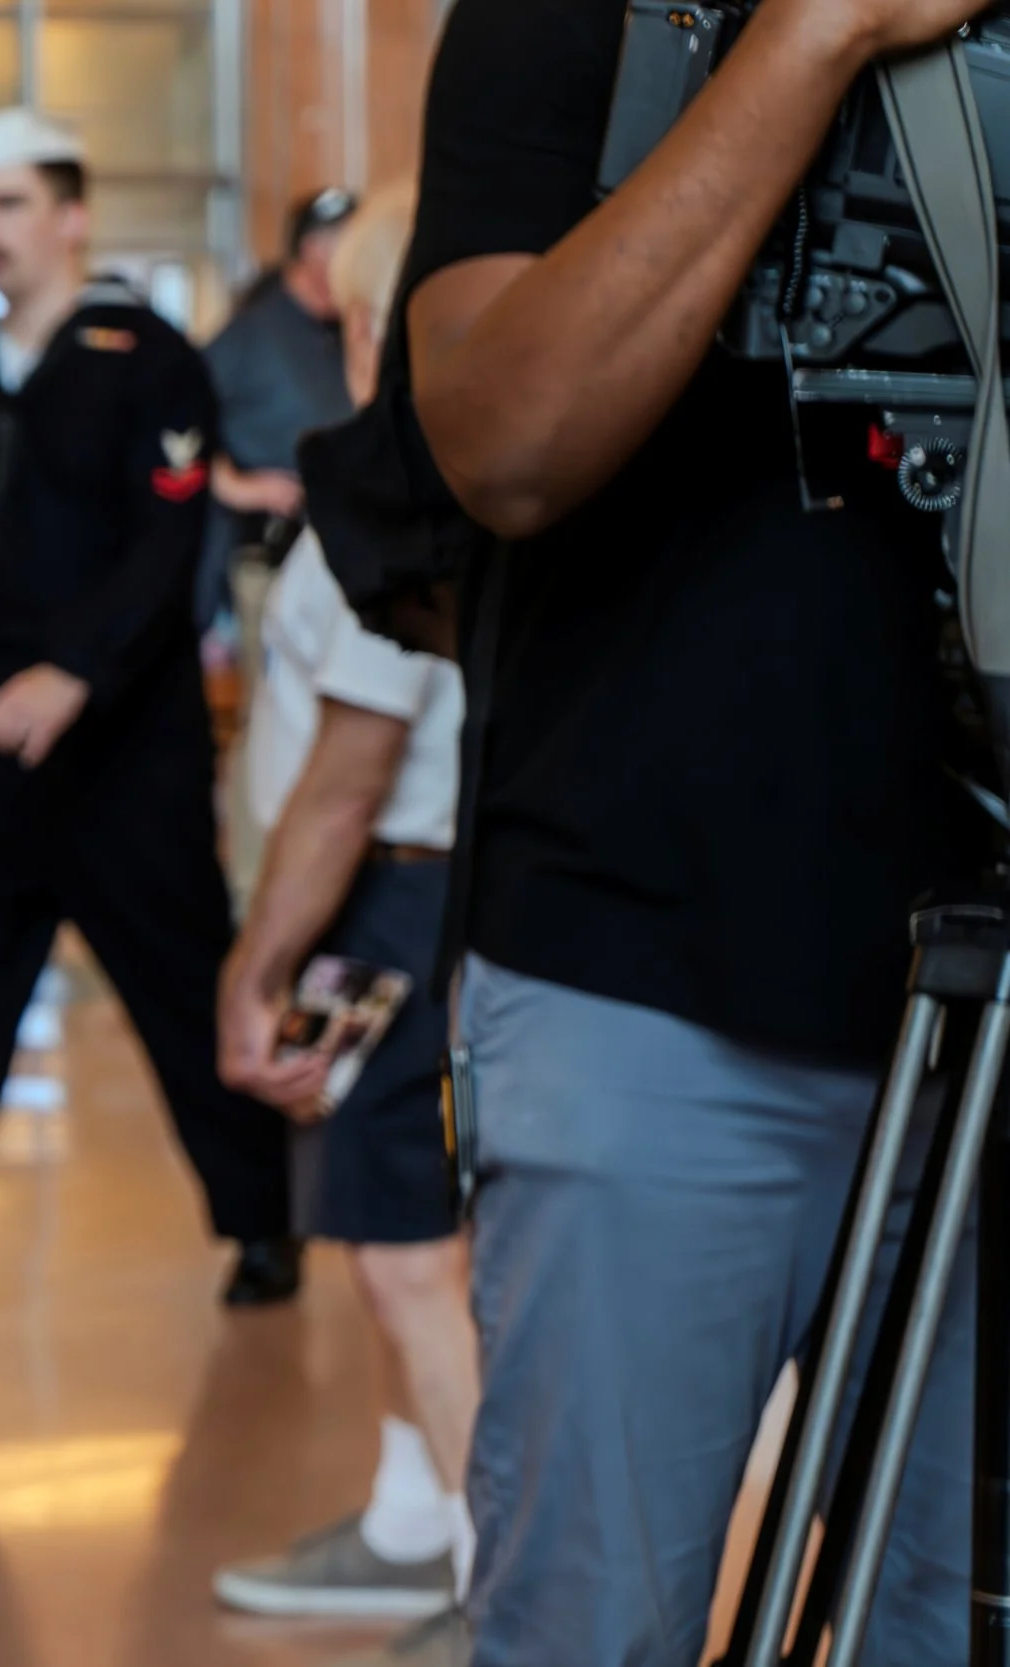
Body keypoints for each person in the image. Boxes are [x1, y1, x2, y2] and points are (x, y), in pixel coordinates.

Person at [402, 0, 992, 1654]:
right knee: (600, 1626)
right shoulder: (571, 22)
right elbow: (502, 439)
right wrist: (811, 37)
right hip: (649, 985)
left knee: (949, 1620)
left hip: (979, 991)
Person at [0, 107, 294, 1317]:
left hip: (125, 756)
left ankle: (261, 1219)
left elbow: (169, 544)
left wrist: (75, 669)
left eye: (9, 206)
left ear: (71, 216)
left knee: (180, 986)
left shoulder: (149, 357)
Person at [206, 183, 479, 1658]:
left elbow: (341, 785)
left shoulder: (389, 511)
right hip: (414, 891)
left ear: (373, 319)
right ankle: (409, 1517)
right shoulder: (468, 483)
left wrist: (255, 969)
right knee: (389, 1227)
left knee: (402, 1250)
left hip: (382, 895)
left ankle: (499, 1575)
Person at [196, 189, 359, 632]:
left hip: (339, 555)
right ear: (314, 252)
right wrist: (238, 487)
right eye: (352, 247)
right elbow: (174, 424)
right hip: (266, 558)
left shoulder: (346, 331)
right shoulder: (251, 334)